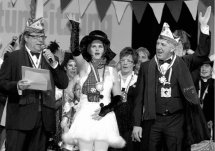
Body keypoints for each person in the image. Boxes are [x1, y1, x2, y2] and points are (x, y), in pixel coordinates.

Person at [132, 6, 211, 151]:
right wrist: (137, 124)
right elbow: (139, 100)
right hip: (153, 120)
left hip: (176, 120)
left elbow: (202, 53)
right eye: (157, 43)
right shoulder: (146, 67)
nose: (159, 47)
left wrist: (204, 27)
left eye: (163, 44)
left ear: (172, 48)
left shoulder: (183, 62)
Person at [0, 17, 68, 151]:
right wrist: (17, 86)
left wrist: (54, 64)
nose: (41, 40)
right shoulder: (14, 57)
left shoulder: (50, 58)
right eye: (36, 37)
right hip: (19, 119)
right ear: (26, 37)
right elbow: (2, 83)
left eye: (43, 37)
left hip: (43, 121)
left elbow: (63, 83)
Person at [62, 17, 125, 151]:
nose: (97, 49)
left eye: (100, 46)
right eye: (93, 46)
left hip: (104, 117)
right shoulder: (84, 67)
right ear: (89, 49)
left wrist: (106, 109)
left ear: (105, 49)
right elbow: (75, 51)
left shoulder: (112, 71)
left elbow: (118, 97)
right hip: (85, 115)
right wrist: (75, 28)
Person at [110, 47, 138, 151]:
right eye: (122, 60)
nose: (125, 63)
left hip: (131, 125)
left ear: (134, 64)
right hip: (114, 123)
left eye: (129, 61)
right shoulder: (112, 79)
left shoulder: (138, 80)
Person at [196, 60, 214, 133]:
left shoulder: (214, 83)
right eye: (202, 67)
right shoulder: (194, 83)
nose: (203, 69)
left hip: (209, 121)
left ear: (212, 69)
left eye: (206, 66)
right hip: (195, 120)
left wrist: (212, 119)